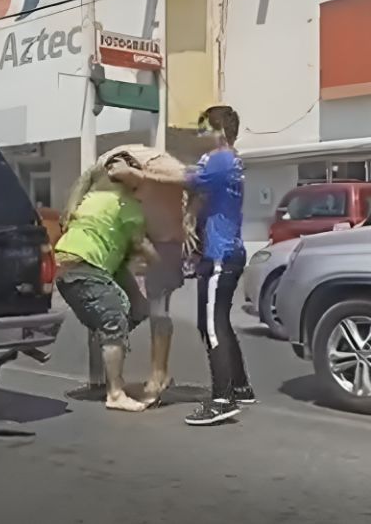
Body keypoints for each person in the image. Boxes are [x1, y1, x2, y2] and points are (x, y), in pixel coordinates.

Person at [114, 105, 255, 426]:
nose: (198, 134)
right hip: (225, 251)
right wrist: (192, 220)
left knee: (211, 326)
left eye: (203, 127)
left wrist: (138, 174)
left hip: (221, 254)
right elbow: (201, 195)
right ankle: (241, 386)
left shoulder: (219, 159)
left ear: (219, 131)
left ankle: (221, 400)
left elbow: (181, 178)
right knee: (219, 321)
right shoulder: (229, 162)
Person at [60, 145, 194, 404]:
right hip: (110, 253)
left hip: (151, 244)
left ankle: (148, 369)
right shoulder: (122, 192)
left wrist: (187, 220)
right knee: (114, 315)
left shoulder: (152, 166)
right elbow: (87, 177)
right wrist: (71, 205)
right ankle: (112, 384)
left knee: (147, 308)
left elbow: (194, 181)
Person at [54, 156, 158, 412]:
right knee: (114, 319)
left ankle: (111, 341)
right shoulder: (128, 206)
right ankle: (115, 392)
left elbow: (119, 249)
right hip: (84, 266)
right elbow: (141, 246)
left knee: (139, 308)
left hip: (74, 265)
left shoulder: (92, 197)